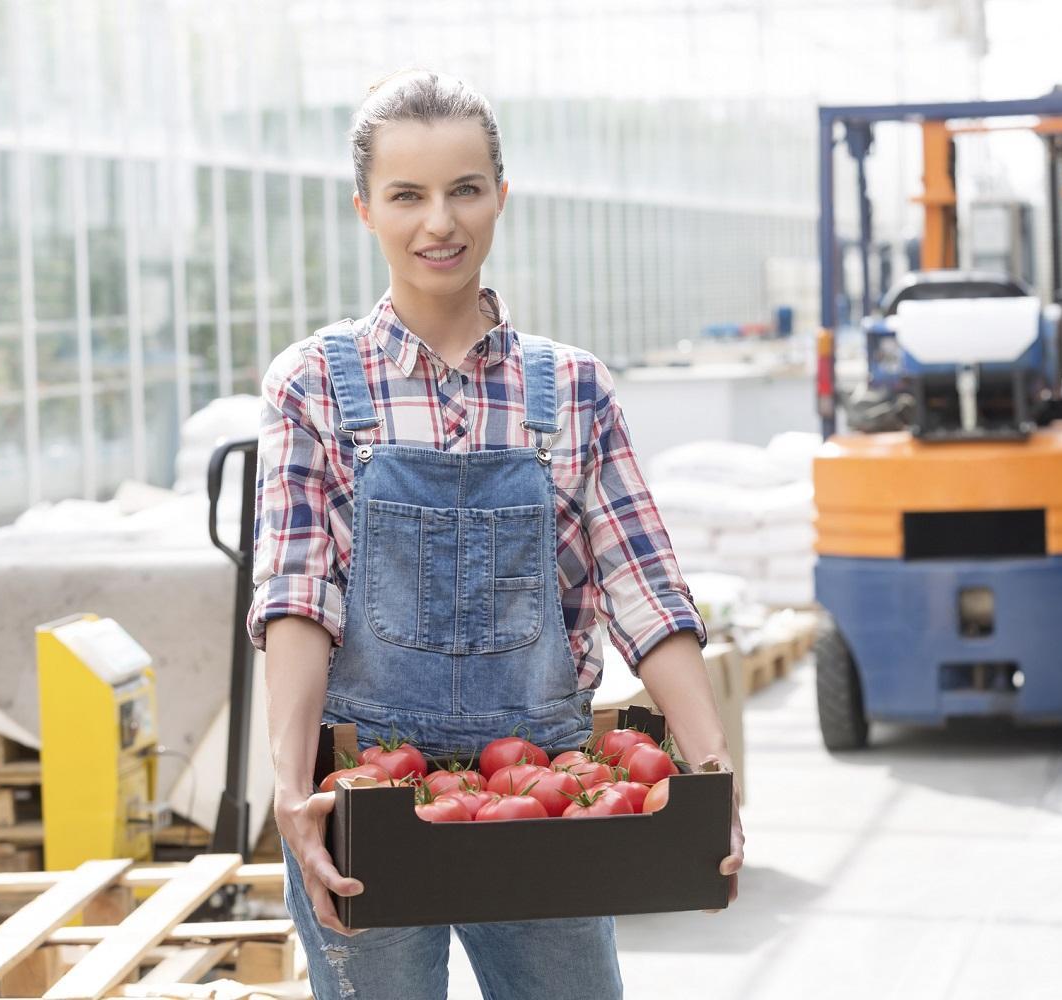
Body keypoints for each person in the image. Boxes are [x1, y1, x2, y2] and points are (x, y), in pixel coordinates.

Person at [247, 69, 744, 999]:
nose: (440, 221)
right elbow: (296, 597)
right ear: (366, 209)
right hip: (368, 803)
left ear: (501, 197)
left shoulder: (571, 389)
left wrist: (712, 772)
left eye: (465, 189)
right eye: (408, 195)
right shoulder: (314, 382)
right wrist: (290, 786)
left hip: (546, 795)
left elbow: (643, 587)